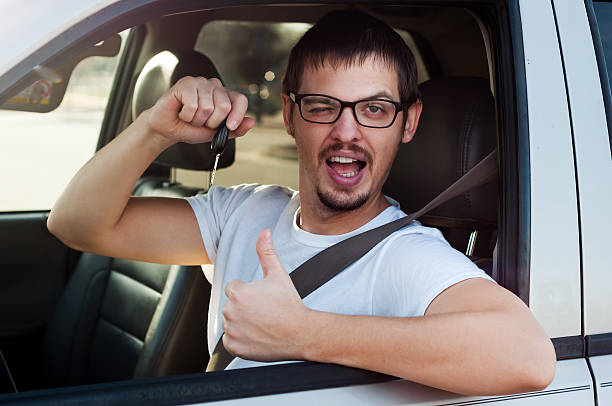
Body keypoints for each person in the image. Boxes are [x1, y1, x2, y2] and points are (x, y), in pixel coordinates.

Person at [48, 10, 555, 395]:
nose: (347, 133)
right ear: (290, 115)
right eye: (322, 106)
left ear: (409, 122)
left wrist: (304, 334)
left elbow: (528, 357)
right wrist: (156, 130)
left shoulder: (407, 256)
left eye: (375, 109)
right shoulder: (243, 212)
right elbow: (77, 224)